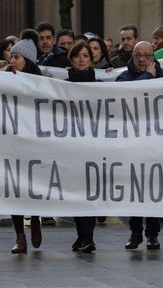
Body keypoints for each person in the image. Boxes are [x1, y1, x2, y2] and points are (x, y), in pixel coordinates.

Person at [117, 41, 163, 250]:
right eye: (138, 55)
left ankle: (152, 233)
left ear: (154, 57)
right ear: (132, 56)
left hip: (158, 143)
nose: (142, 60)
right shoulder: (124, 77)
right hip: (133, 144)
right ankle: (135, 232)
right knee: (135, 189)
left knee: (153, 189)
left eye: (147, 55)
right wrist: (148, 77)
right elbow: (129, 93)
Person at [2, 39, 45, 254]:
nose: (12, 61)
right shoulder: (6, 78)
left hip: (34, 142)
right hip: (12, 141)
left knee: (32, 185)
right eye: (11, 57)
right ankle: (20, 235)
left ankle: (35, 219)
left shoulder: (43, 82)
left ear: (27, 60)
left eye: (16, 57)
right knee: (15, 188)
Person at [67, 42, 99, 253]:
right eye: (78, 55)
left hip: (94, 146)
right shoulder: (63, 84)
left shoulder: (99, 83)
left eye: (85, 55)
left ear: (91, 59)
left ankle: (88, 237)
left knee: (90, 192)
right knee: (77, 191)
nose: (81, 59)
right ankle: (81, 236)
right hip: (71, 146)